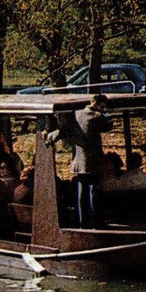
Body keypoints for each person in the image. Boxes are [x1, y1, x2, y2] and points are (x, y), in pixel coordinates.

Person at [45, 94, 113, 228]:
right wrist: (108, 115)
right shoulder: (97, 117)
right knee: (94, 192)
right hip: (93, 162)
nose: (104, 109)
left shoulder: (75, 115)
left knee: (81, 193)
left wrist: (48, 137)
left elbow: (61, 132)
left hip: (78, 161)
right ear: (94, 103)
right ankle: (97, 223)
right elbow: (108, 127)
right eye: (102, 107)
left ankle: (82, 222)